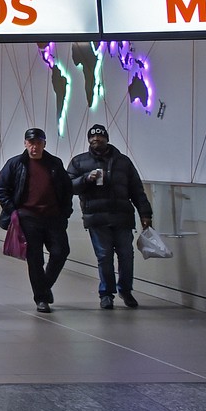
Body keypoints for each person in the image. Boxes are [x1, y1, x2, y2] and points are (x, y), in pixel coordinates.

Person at [67, 124, 153, 309]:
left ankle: (125, 290)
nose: (96, 140)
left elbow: (137, 190)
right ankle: (106, 293)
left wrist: (145, 213)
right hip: (96, 218)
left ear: (106, 139)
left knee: (126, 255)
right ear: (89, 140)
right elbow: (68, 186)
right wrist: (85, 179)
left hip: (122, 217)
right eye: (92, 138)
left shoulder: (123, 162)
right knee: (104, 256)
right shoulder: (79, 162)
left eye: (99, 137)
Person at [0, 127, 74, 313]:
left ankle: (44, 287)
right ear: (25, 143)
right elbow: (2, 189)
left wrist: (65, 213)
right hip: (27, 218)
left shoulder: (54, 164)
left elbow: (66, 190)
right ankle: (41, 299)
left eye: (38, 143)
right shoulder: (15, 164)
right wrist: (14, 211)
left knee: (61, 251)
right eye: (31, 143)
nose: (34, 147)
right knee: (35, 258)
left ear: (44, 144)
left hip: (53, 217)